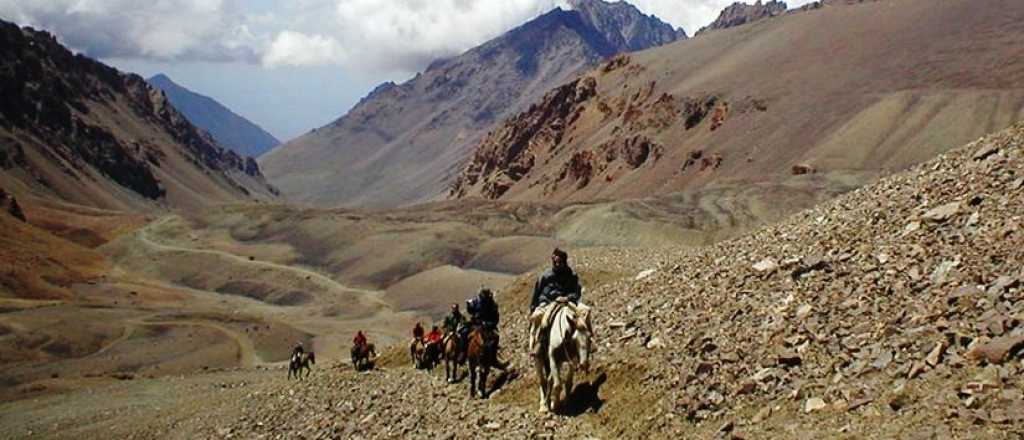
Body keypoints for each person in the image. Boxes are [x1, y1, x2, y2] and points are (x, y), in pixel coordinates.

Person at [529, 248, 587, 356]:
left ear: (564, 262)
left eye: (559, 262)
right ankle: (539, 344)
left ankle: (588, 339)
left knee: (584, 313)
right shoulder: (545, 276)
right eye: (555, 262)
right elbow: (537, 293)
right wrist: (533, 308)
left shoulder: (571, 275)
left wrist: (568, 298)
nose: (557, 264)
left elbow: (576, 291)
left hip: (567, 302)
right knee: (542, 319)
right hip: (548, 303)